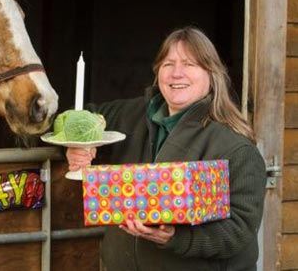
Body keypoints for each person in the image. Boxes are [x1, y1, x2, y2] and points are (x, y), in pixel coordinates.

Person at [66, 27, 266, 270]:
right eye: (168, 64)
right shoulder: (130, 115)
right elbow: (71, 119)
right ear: (157, 72)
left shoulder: (236, 147)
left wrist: (176, 238)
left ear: (212, 74)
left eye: (189, 64)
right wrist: (75, 145)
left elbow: (239, 229)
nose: (176, 73)